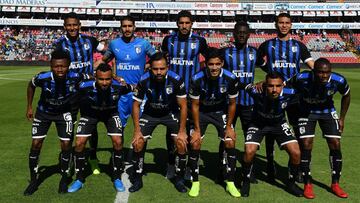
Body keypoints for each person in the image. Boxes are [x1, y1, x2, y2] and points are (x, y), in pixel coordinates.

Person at [257, 12, 314, 182]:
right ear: (276, 25)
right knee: (271, 130)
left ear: (291, 25)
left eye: (287, 23)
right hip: (273, 95)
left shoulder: (299, 46)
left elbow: (312, 65)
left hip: (294, 97)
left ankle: (296, 167)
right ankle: (270, 164)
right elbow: (259, 61)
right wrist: (269, 75)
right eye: (281, 22)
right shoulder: (267, 45)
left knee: (298, 131)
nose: (283, 25)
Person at [23, 50, 90, 195]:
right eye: (56, 66)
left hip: (64, 114)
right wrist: (29, 106)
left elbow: (93, 77)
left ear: (69, 66)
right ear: (51, 65)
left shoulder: (76, 77)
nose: (59, 70)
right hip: (43, 113)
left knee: (66, 144)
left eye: (63, 66)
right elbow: (31, 85)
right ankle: (33, 181)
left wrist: (117, 79)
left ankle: (64, 179)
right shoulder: (43, 77)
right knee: (36, 144)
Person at [288, 58, 350, 199]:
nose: (324, 75)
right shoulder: (302, 77)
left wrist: (342, 118)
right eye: (320, 72)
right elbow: (284, 87)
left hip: (327, 111)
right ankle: (307, 184)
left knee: (335, 143)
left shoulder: (338, 80)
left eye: (327, 72)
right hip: (306, 112)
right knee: (306, 144)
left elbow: (346, 95)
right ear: (313, 71)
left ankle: (335, 184)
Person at [53, 12, 106, 174]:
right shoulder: (60, 43)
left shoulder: (90, 40)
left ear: (79, 25)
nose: (72, 28)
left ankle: (93, 158)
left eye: (74, 25)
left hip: (89, 91)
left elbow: (107, 51)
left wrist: (99, 64)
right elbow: (56, 66)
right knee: (68, 127)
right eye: (69, 25)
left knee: (92, 126)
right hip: (69, 93)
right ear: (64, 27)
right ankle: (68, 159)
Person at [67, 64, 133, 193]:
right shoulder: (84, 87)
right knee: (79, 143)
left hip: (110, 114)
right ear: (95, 78)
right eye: (101, 79)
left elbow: (135, 89)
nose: (104, 83)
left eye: (107, 79)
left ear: (111, 78)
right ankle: (79, 179)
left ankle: (116, 177)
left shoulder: (119, 86)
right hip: (90, 114)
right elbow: (71, 96)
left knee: (118, 141)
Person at [130, 52, 188, 193]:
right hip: (151, 113)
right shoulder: (144, 80)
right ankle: (137, 178)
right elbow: (135, 105)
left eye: (162, 68)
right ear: (150, 68)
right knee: (138, 142)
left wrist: (182, 131)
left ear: (167, 67)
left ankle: (179, 179)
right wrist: (137, 131)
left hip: (170, 113)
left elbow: (184, 105)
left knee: (181, 143)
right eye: (155, 69)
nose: (159, 72)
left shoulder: (176, 80)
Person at [161, 10, 208, 179]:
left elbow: (209, 62)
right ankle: (171, 163)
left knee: (191, 129)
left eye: (187, 23)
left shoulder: (200, 41)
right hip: (172, 93)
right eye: (181, 23)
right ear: (177, 24)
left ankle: (190, 165)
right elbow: (163, 59)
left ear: (192, 24)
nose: (184, 26)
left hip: (192, 94)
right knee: (172, 129)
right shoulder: (168, 40)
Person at [188, 48, 240, 197]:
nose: (214, 67)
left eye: (218, 64)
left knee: (230, 141)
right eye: (211, 64)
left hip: (220, 111)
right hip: (202, 112)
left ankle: (230, 182)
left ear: (222, 63)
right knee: (195, 142)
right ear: (205, 64)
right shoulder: (197, 78)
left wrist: (229, 126)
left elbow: (232, 104)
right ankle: (195, 182)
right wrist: (197, 129)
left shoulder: (231, 78)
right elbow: (195, 106)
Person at [240, 72, 303, 197]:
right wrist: (255, 84)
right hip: (258, 123)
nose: (274, 90)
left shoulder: (290, 93)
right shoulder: (256, 91)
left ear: (282, 85)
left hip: (279, 123)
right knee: (249, 151)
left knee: (296, 153)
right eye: (270, 86)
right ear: (265, 85)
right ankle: (245, 181)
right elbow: (239, 85)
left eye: (278, 86)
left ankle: (291, 183)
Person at [99, 15, 157, 138]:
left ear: (134, 27)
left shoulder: (143, 44)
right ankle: (119, 156)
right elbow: (104, 61)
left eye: (129, 26)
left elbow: (157, 59)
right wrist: (113, 76)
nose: (127, 29)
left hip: (139, 92)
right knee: (119, 129)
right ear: (120, 28)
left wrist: (146, 67)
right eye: (124, 26)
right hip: (121, 93)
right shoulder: (114, 44)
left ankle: (137, 156)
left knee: (141, 129)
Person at [222, 21, 264, 184]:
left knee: (250, 138)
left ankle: (249, 171)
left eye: (244, 32)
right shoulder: (225, 52)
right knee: (225, 136)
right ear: (233, 33)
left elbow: (269, 69)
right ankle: (223, 169)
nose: (241, 35)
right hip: (229, 102)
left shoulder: (255, 53)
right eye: (238, 32)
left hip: (249, 103)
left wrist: (263, 82)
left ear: (249, 34)